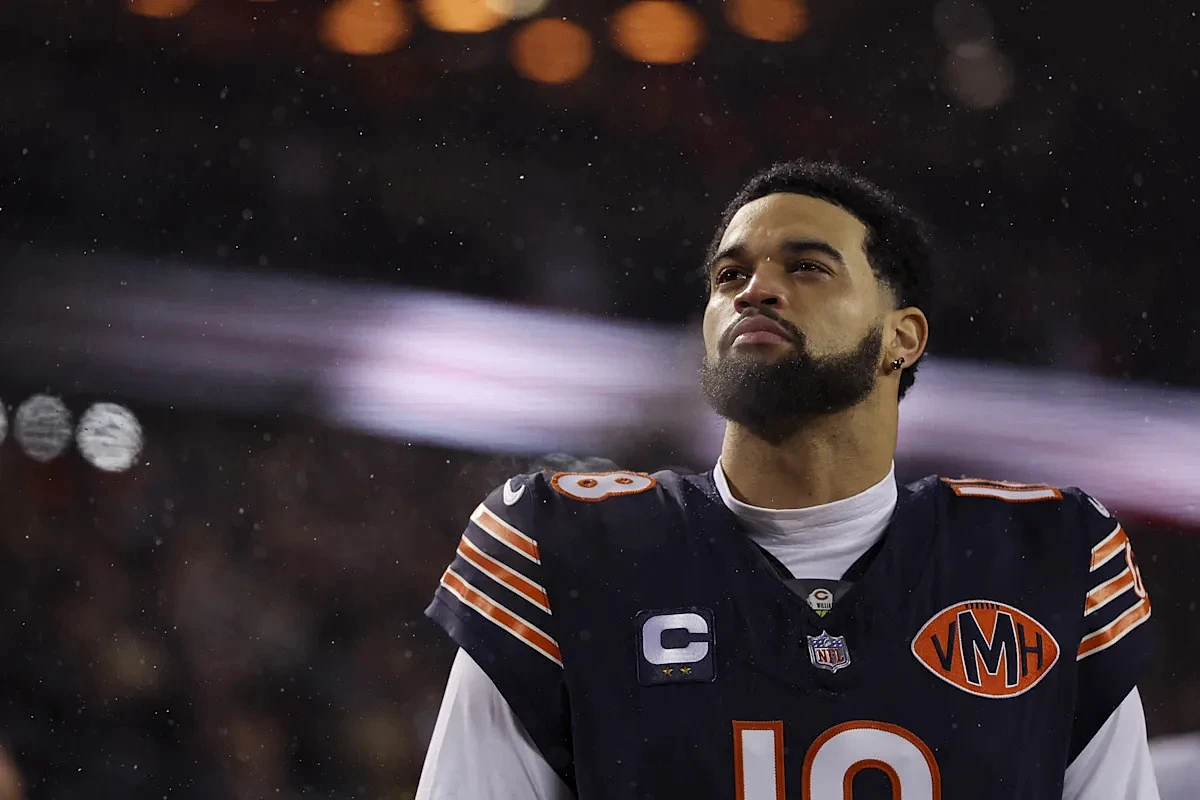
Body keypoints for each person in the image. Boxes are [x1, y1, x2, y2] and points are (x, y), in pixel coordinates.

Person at [415, 160, 1159, 799]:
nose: (755, 290)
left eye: (806, 267)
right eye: (730, 275)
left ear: (902, 337)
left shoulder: (1044, 560)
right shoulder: (568, 549)